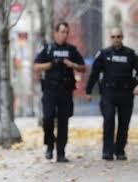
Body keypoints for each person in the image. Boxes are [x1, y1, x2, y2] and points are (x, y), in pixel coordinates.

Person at [85, 27, 138, 161]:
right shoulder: (104, 54)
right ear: (110, 38)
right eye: (113, 37)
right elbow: (94, 73)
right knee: (109, 120)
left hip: (126, 94)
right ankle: (107, 151)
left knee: (124, 123)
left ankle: (120, 150)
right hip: (108, 93)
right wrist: (88, 91)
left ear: (122, 37)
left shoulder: (130, 54)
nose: (116, 39)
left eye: (118, 36)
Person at [34, 22, 85, 162]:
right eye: (62, 32)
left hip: (65, 90)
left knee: (63, 121)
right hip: (50, 90)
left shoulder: (71, 50)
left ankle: (61, 152)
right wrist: (50, 64)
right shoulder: (48, 49)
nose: (64, 35)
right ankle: (50, 145)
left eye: (66, 32)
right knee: (48, 118)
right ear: (56, 33)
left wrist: (72, 65)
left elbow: (83, 68)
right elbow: (36, 66)